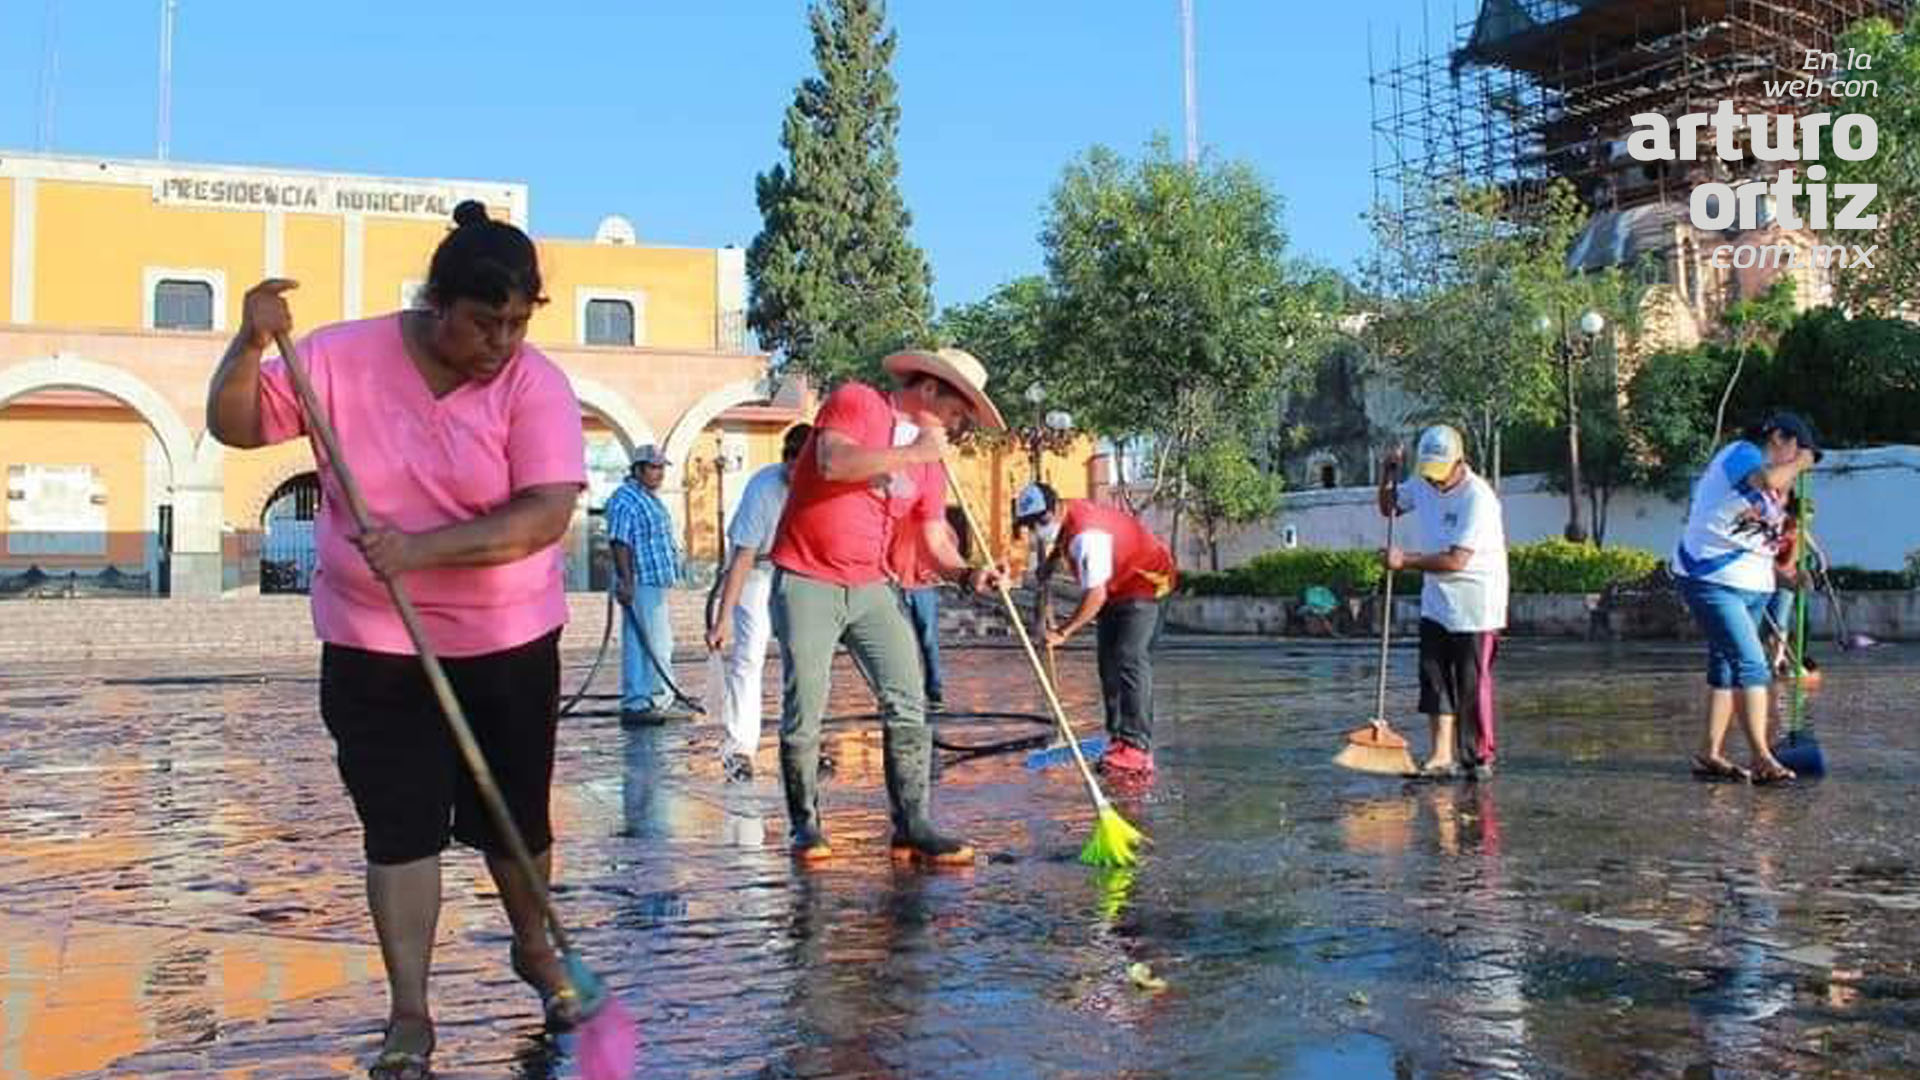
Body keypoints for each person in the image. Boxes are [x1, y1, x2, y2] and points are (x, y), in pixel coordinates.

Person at [205, 201, 587, 1079]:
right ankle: (410, 1011)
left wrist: (420, 550)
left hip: (507, 634)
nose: (502, 344)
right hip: (377, 639)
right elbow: (235, 426)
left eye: (519, 324)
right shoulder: (339, 357)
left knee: (512, 817)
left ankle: (535, 946)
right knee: (401, 823)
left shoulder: (537, 386)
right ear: (436, 303)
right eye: (485, 323)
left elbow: (542, 516)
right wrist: (250, 345)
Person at [768, 347, 1005, 867]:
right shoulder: (858, 403)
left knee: (908, 694)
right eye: (957, 412)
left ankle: (913, 823)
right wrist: (914, 454)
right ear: (928, 390)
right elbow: (831, 461)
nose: (959, 426)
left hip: (872, 584)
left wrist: (967, 572)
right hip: (808, 577)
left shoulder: (931, 462)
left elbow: (932, 535)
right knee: (806, 701)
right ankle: (805, 825)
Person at [1672, 412, 1821, 783]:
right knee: (1752, 664)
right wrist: (1804, 460)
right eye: (1797, 449)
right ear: (1777, 438)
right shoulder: (1741, 453)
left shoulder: (1776, 495)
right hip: (1709, 578)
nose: (1800, 461)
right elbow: (1768, 477)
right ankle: (1762, 757)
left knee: (1724, 665)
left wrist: (1790, 579)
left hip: (1753, 584)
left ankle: (1709, 753)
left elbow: (1757, 544)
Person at [1013, 482, 1178, 778]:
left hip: (1148, 583)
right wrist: (1050, 563)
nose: (1036, 529)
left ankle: (1137, 747)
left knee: (1129, 657)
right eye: (1029, 525)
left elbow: (1095, 596)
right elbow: (1063, 538)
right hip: (1118, 586)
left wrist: (1063, 632)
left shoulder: (1088, 537)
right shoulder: (1067, 518)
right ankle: (1118, 738)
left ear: (1055, 508)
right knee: (1108, 663)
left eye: (1040, 522)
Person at [1376, 424, 1509, 781]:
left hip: (1476, 602)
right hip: (1437, 600)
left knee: (1470, 684)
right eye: (1429, 473)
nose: (1435, 482)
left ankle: (1477, 756)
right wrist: (1387, 472)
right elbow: (1389, 507)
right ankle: (1439, 755)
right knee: (1434, 678)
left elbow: (1455, 561)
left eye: (1440, 474)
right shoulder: (1423, 482)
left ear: (1459, 462)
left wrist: (1405, 561)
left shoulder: (1477, 498)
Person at [706, 422, 813, 781]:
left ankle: (803, 741)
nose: (795, 472)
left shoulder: (824, 484)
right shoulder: (763, 489)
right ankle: (739, 748)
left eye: (804, 465)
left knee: (804, 655)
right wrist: (722, 619)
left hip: (799, 569)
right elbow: (742, 559)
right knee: (749, 654)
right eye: (790, 462)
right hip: (757, 569)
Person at [606, 443, 688, 725]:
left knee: (646, 641)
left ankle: (641, 699)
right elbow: (620, 541)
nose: (659, 473)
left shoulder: (648, 498)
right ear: (638, 469)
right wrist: (626, 580)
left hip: (653, 580)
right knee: (655, 643)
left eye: (661, 467)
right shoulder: (625, 498)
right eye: (653, 467)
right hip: (640, 580)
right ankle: (653, 698)